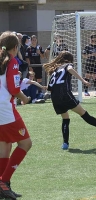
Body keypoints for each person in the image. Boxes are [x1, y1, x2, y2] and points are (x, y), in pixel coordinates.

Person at [43, 51, 96, 150]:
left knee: (65, 119)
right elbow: (70, 69)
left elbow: (49, 88)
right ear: (69, 60)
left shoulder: (55, 70)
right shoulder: (67, 65)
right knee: (83, 113)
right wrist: (83, 80)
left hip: (55, 97)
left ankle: (65, 143)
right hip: (65, 94)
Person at [0, 31, 32, 199]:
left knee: (5, 145)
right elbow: (13, 89)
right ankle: (3, 181)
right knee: (26, 143)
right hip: (5, 109)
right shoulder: (11, 61)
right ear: (15, 47)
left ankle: (3, 187)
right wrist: (25, 98)